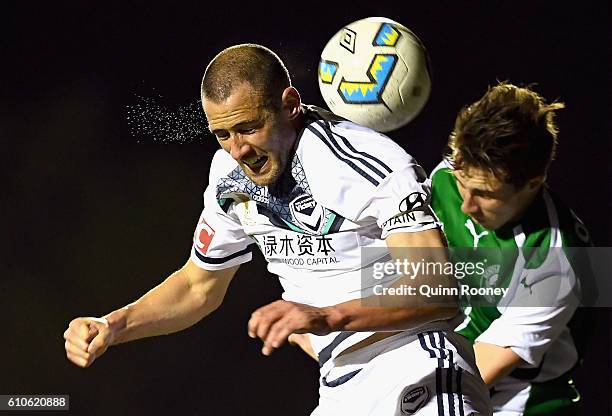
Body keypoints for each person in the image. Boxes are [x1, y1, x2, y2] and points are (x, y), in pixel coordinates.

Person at [63, 44, 491, 415]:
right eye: (222, 134)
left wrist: (326, 316)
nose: (239, 149)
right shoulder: (228, 178)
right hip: (340, 389)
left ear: (289, 104)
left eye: (250, 127)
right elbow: (198, 286)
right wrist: (116, 324)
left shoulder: (365, 162)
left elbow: (437, 292)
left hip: (417, 367)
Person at [429, 82, 591, 415]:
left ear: (534, 182)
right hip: (440, 373)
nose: (466, 207)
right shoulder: (446, 179)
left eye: (486, 195)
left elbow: (476, 372)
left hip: (519, 403)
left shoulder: (555, 259)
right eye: (463, 184)